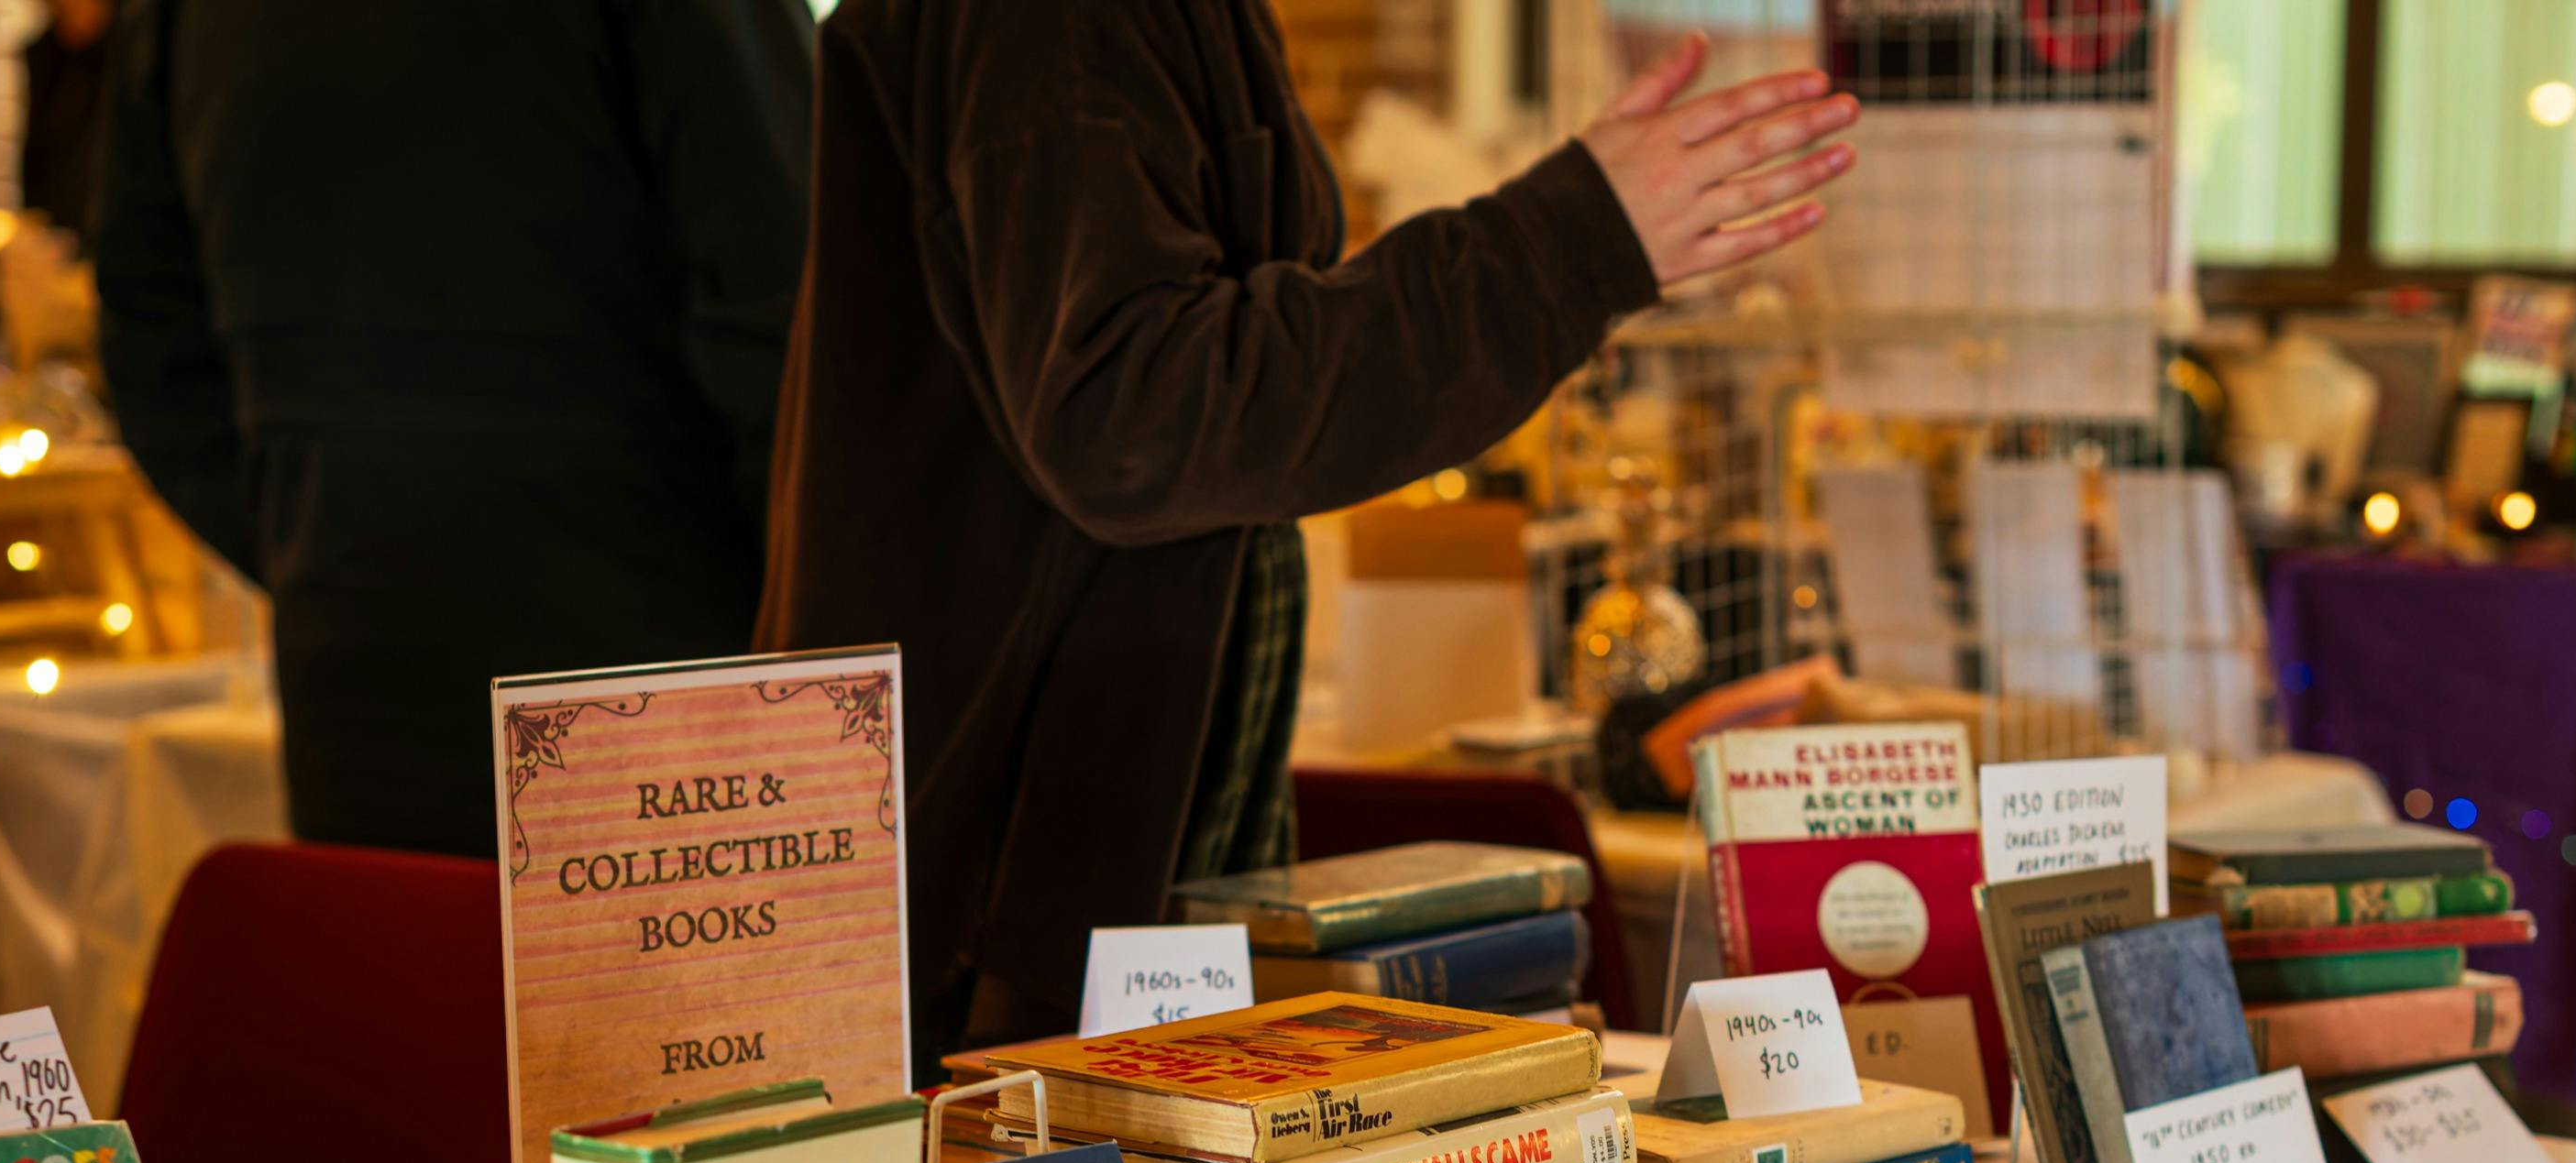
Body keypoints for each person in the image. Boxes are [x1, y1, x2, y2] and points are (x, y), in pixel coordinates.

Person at [757, 10, 1857, 1072]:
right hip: (989, 902)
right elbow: (1137, 418)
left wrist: (1571, 247)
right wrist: (1563, 247)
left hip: (1048, 873)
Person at [100, 0, 816, 859]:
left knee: (411, 984)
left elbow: (154, 354)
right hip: (675, 705)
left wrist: (321, 534)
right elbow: (803, 321)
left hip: (365, 683)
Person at [15, 0, 108, 236]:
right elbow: (36, 154)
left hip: (118, 236)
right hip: (60, 235)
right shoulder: (46, 54)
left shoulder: (134, 53)